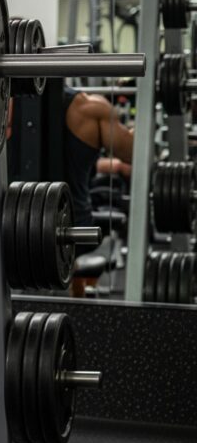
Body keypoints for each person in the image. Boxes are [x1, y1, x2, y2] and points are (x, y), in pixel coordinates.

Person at [62, 87, 133, 296]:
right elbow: (135, 154)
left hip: (10, 227)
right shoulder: (89, 108)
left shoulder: (0, 107)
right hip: (74, 229)